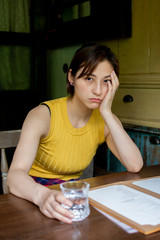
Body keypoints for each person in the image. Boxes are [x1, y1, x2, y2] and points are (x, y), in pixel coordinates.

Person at [7, 43, 143, 224]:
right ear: (71, 77)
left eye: (106, 81)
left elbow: (135, 165)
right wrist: (42, 196)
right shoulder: (42, 115)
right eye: (89, 79)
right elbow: (14, 175)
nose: (98, 90)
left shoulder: (104, 119)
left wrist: (107, 113)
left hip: (71, 198)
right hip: (31, 196)